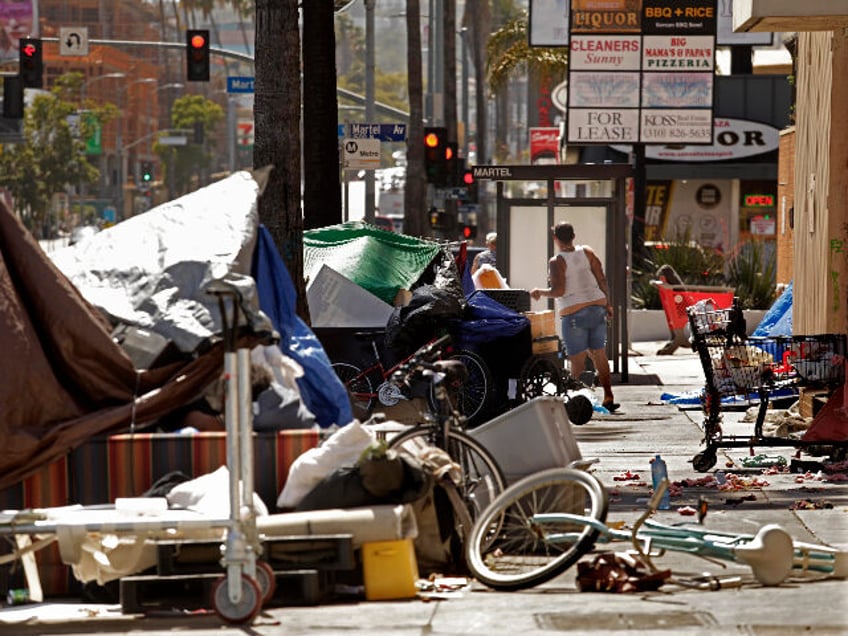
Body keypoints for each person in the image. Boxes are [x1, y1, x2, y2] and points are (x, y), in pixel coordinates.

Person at [530, 222, 619, 412]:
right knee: (599, 353)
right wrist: (608, 303)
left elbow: (559, 290)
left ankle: (571, 402)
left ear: (555, 238)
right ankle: (608, 396)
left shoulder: (556, 261)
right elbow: (601, 278)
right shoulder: (587, 252)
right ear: (574, 235)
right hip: (597, 305)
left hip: (573, 312)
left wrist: (540, 292)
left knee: (576, 361)